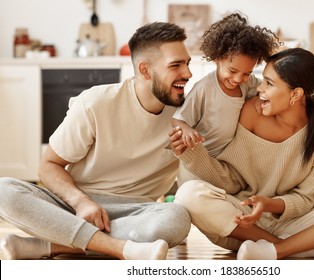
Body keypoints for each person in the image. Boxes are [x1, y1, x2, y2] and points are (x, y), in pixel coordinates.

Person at [169, 48, 314, 260]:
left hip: (295, 223)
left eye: (269, 83)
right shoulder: (251, 112)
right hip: (240, 224)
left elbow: (306, 199)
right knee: (189, 194)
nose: (259, 89)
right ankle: (295, 249)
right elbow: (231, 180)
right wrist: (192, 154)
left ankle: (278, 249)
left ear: (295, 94)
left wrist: (269, 204)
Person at [0, 22, 192, 260]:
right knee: (3, 190)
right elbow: (48, 166)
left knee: (176, 219)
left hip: (137, 211)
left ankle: (50, 245)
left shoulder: (189, 114)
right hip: (75, 206)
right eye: (176, 65)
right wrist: (81, 202)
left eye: (187, 63)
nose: (187, 74)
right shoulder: (96, 103)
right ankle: (121, 248)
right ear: (145, 70)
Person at [171, 12, 279, 186]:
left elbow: (264, 89)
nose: (238, 79)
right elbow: (178, 119)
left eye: (247, 73)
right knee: (195, 197)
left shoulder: (247, 83)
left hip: (225, 161)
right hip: (197, 162)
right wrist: (186, 130)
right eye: (232, 71)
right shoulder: (204, 88)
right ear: (217, 58)